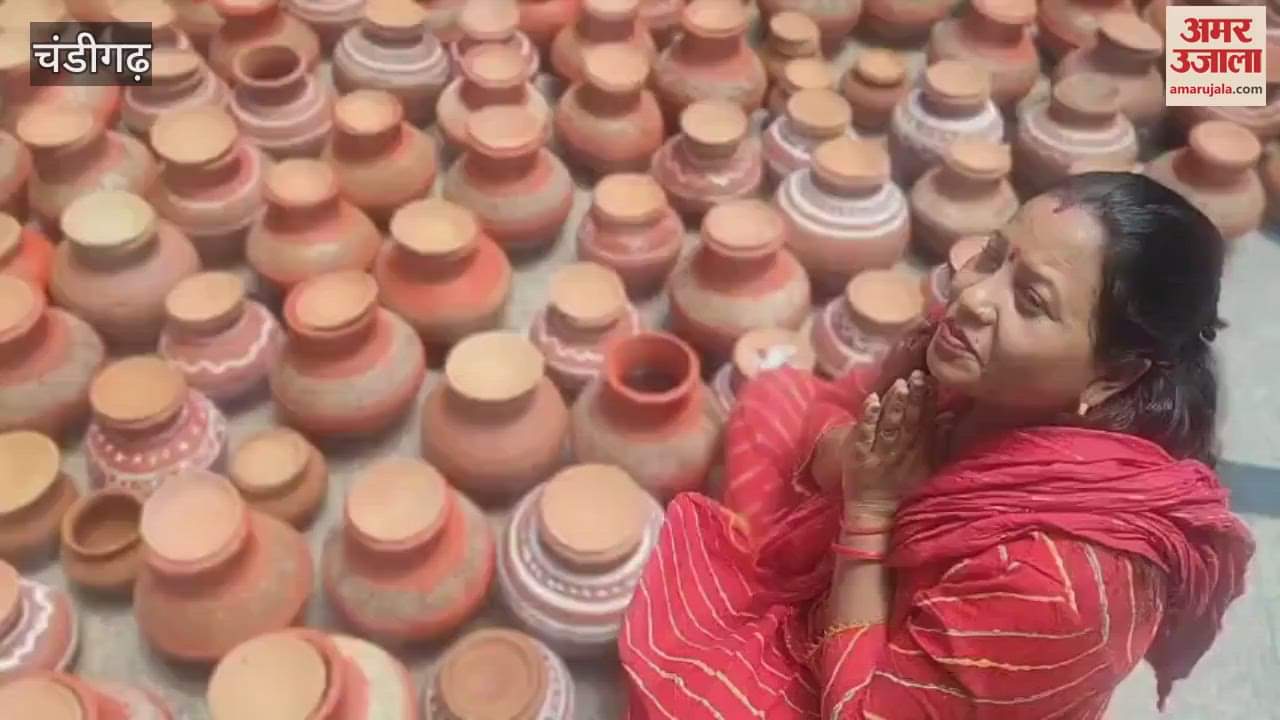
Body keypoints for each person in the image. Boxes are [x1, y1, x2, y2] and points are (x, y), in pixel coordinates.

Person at [618, 173, 1255, 719]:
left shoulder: (1059, 585)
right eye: (994, 255)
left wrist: (870, 513)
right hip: (866, 553)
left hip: (873, 684)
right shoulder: (975, 365)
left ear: (1112, 376)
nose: (972, 297)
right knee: (775, 396)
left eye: (1030, 299)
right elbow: (849, 427)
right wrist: (865, 457)